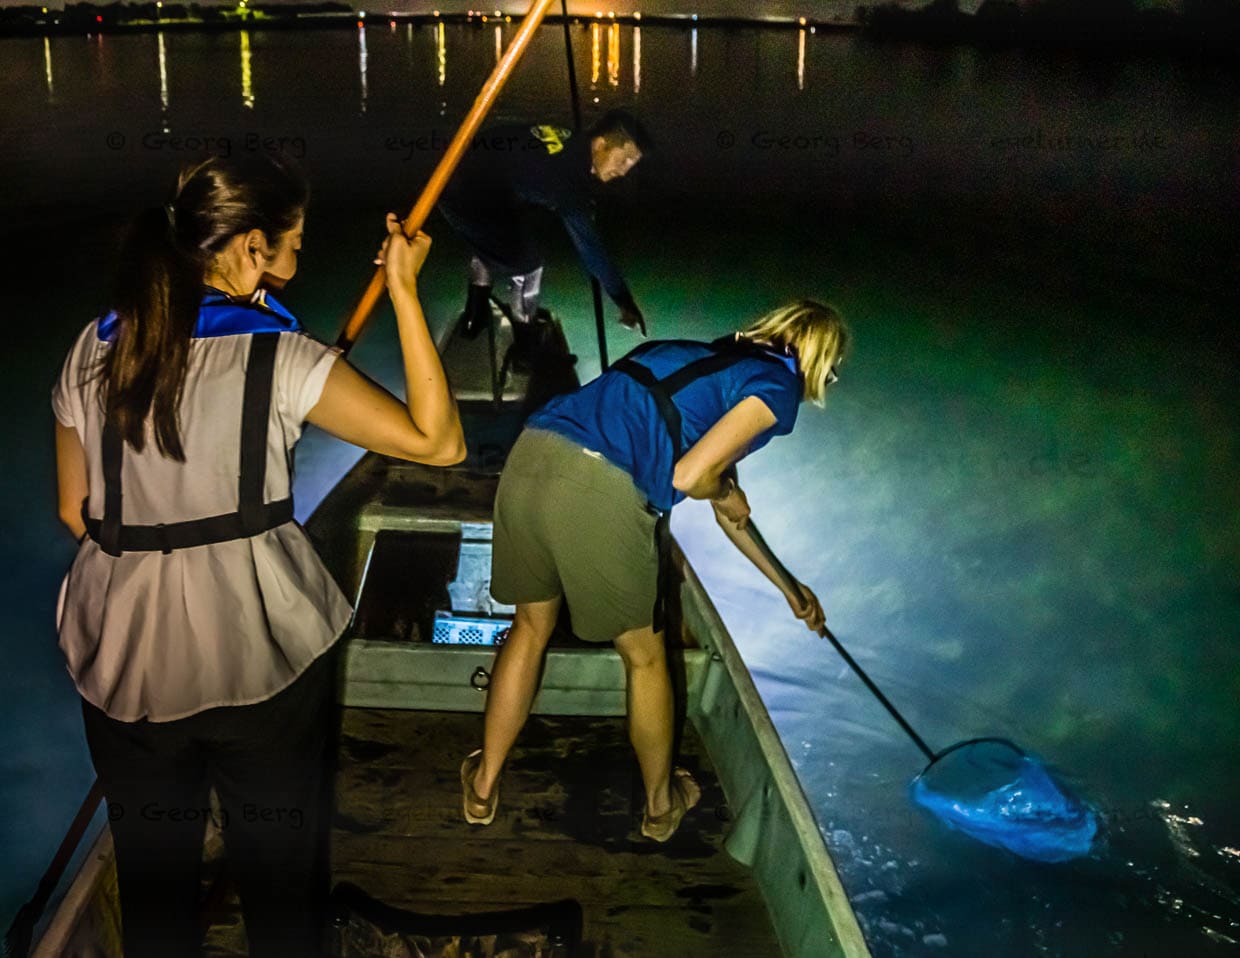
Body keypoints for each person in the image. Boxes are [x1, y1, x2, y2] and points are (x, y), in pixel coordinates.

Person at [51, 154, 463, 957]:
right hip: (259, 662)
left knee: (155, 894)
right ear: (250, 249)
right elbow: (438, 442)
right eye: (295, 245)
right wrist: (406, 291)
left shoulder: (94, 347)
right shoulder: (284, 357)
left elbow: (77, 514)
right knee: (281, 886)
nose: (299, 262)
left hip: (123, 662)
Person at [460, 301, 845, 842]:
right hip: (601, 487)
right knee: (644, 659)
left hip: (532, 456)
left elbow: (721, 504)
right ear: (814, 356)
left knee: (529, 628)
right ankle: (661, 808)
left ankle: (482, 787)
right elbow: (692, 476)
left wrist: (787, 587)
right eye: (832, 369)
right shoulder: (777, 386)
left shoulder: (696, 361)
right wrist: (724, 487)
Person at [437, 109, 652, 358]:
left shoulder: (568, 136)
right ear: (601, 144)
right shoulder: (570, 180)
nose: (624, 171)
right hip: (466, 193)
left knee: (501, 236)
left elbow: (511, 130)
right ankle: (526, 349)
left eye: (631, 165)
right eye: (623, 160)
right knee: (529, 264)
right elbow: (590, 248)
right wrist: (622, 298)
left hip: (454, 169)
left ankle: (475, 317)